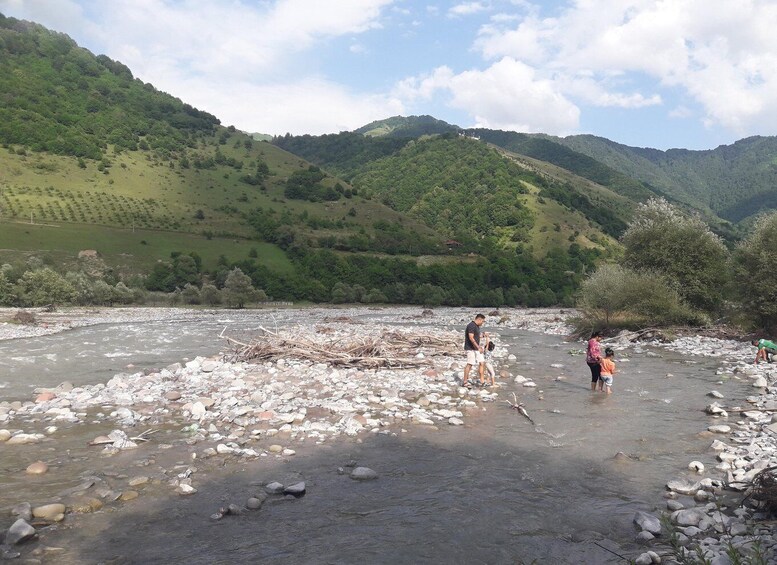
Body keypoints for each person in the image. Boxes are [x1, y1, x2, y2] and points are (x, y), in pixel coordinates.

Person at [463, 313, 486, 388]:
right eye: (482, 321)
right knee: (470, 364)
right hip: (470, 348)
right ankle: (465, 382)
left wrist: (482, 335)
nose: (482, 323)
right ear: (479, 319)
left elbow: (476, 336)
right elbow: (471, 337)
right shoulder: (471, 325)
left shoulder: (477, 326)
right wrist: (478, 347)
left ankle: (482, 381)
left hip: (476, 348)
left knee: (482, 362)